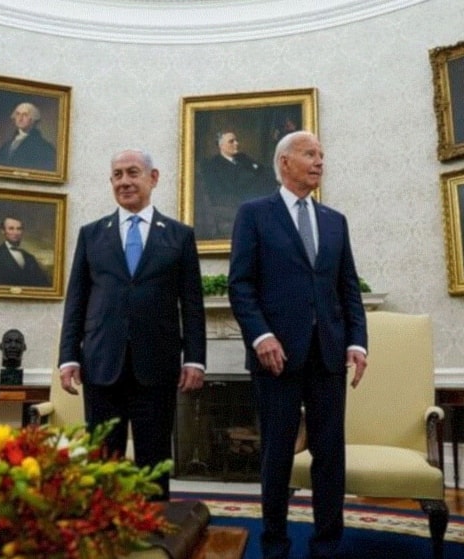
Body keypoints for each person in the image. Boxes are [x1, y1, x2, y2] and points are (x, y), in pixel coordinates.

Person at [228, 131, 368, 559]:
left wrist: (358, 343)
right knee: (277, 456)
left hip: (328, 353)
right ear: (284, 162)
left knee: (330, 455)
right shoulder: (253, 214)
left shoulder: (334, 221)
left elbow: (348, 290)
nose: (319, 161)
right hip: (276, 357)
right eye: (310, 154)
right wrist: (261, 336)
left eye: (322, 155)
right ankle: (275, 545)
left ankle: (327, 546)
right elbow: (241, 285)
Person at [58, 149, 206, 500]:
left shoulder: (180, 236)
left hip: (156, 366)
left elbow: (193, 304)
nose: (124, 181)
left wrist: (195, 359)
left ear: (153, 178)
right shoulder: (91, 234)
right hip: (100, 364)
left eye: (133, 173)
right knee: (102, 459)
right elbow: (76, 300)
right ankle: (103, 531)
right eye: (117, 175)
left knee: (154, 460)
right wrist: (68, 357)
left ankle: (155, 538)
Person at [198, 130, 276, 238]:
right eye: (231, 141)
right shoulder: (214, 165)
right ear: (221, 145)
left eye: (236, 140)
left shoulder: (242, 157)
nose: (236, 143)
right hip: (240, 199)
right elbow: (223, 189)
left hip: (259, 193)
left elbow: (261, 169)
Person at [0, 216, 51, 287]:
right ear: (3, 231)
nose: (16, 232)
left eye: (19, 229)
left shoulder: (29, 258)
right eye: (11, 229)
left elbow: (43, 285)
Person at [0, 101, 56, 171]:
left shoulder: (44, 147)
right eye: (18, 114)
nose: (20, 118)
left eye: (25, 115)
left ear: (33, 119)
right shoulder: (6, 146)